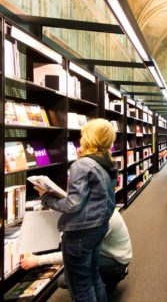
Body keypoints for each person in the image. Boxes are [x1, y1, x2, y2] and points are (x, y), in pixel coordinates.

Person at [35, 118, 117, 302]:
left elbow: (73, 204)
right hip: (99, 227)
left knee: (80, 286)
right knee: (93, 276)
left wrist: (47, 198)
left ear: (89, 136)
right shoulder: (107, 162)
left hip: (80, 232)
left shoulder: (82, 164)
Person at [21, 210, 132, 289]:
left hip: (116, 260)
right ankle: (108, 278)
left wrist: (38, 260)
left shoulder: (102, 218)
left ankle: (115, 275)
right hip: (111, 253)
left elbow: (75, 254)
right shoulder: (101, 206)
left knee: (65, 280)